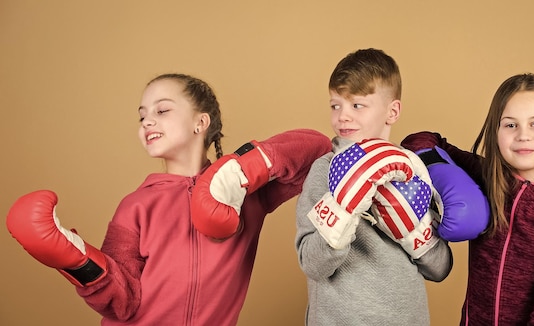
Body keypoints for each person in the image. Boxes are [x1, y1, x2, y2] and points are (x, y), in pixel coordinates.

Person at [6, 73, 332, 325]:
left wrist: (239, 171)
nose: (148, 120)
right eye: (142, 115)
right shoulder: (136, 206)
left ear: (200, 123)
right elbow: (123, 301)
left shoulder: (245, 194)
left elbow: (316, 153)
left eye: (162, 110)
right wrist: (77, 261)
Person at [402, 73, 534, 325]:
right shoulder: (487, 178)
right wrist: (437, 167)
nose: (523, 135)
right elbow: (421, 139)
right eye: (510, 125)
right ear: (495, 131)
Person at [295, 48, 455, 325]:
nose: (342, 116)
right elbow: (312, 264)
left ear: (392, 111)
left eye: (357, 105)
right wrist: (342, 210)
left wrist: (415, 232)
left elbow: (440, 269)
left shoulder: (412, 170)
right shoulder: (324, 171)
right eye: (336, 105)